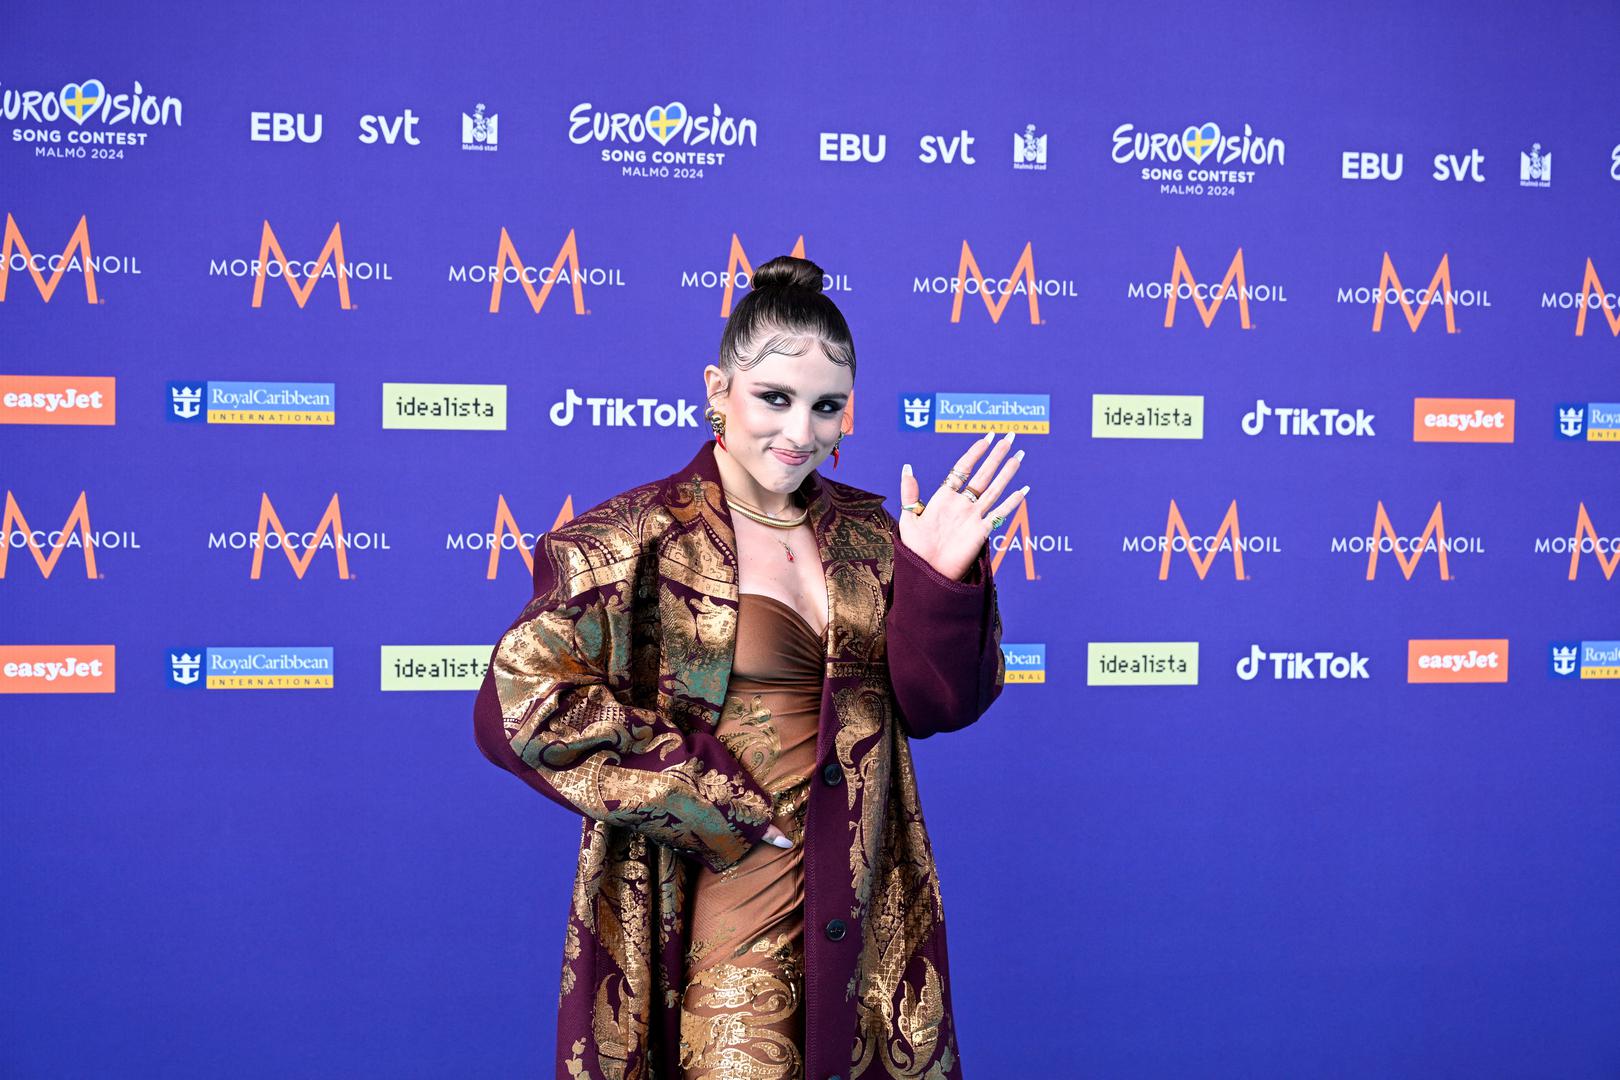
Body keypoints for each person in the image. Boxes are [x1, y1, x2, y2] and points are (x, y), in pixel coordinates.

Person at [473, 255, 1028, 1080]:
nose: (800, 432)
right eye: (774, 398)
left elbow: (940, 703)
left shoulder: (875, 536)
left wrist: (936, 581)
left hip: (866, 905)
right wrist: (706, 803)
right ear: (717, 389)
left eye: (826, 407)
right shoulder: (633, 539)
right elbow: (519, 705)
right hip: (721, 908)